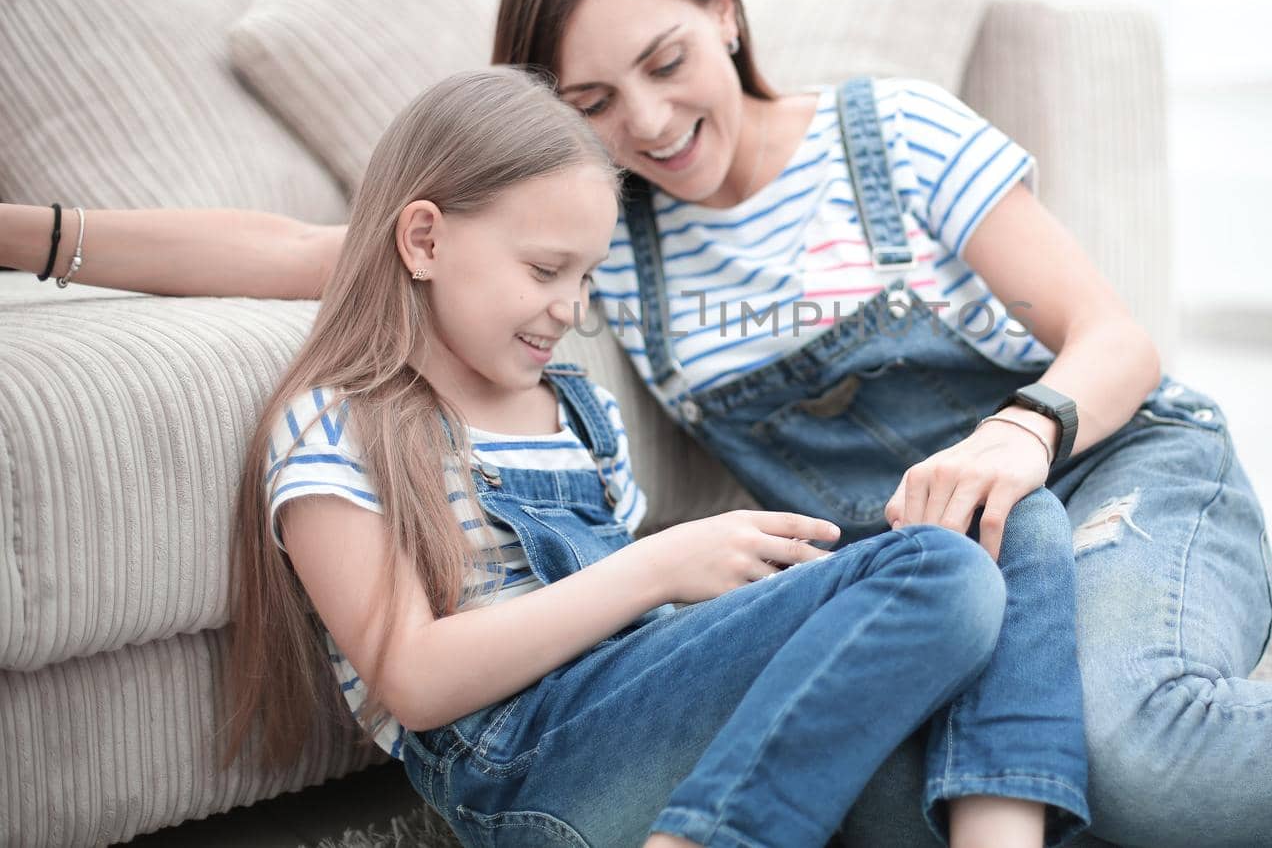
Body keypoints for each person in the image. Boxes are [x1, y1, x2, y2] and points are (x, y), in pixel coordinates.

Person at [3, 0, 1272, 845]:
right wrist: (35, 233)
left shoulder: (888, 136)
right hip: (947, 554)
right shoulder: (601, 247)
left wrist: (1025, 433)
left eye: (666, 61)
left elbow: (1116, 339)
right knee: (977, 766)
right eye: (592, 97)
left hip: (1121, 475)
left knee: (1138, 753)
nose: (645, 119)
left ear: (726, 12)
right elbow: (300, 248)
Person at [215, 66, 1090, 848]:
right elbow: (412, 679)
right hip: (532, 771)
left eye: (586, 276)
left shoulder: (575, 409)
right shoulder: (337, 422)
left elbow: (659, 660)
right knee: (938, 566)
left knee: (1008, 525)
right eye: (544, 267)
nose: (568, 307)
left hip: (665, 738)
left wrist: (739, 597)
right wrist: (661, 564)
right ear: (425, 240)